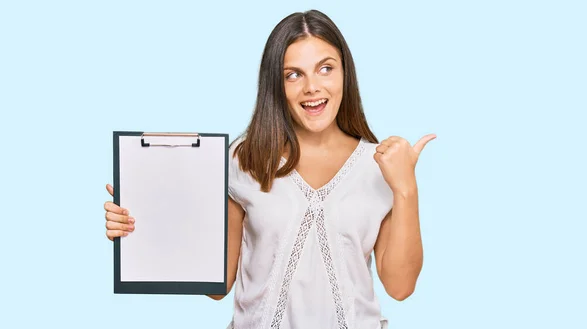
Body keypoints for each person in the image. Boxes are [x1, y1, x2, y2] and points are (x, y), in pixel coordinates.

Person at [103, 9, 435, 329]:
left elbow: (400, 286)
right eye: (294, 74)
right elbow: (217, 285)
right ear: (275, 84)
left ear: (345, 73)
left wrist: (406, 188)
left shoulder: (379, 165)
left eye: (326, 68)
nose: (312, 87)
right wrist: (146, 216)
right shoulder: (244, 159)